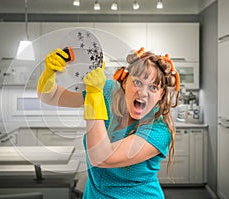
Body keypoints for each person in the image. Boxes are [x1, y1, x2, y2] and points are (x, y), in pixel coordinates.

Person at [36, 47, 180, 198]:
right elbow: (51, 97)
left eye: (153, 87)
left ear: (161, 94)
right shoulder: (108, 91)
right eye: (137, 82)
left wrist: (94, 96)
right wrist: (48, 74)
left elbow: (102, 157)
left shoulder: (159, 130)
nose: (143, 93)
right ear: (124, 83)